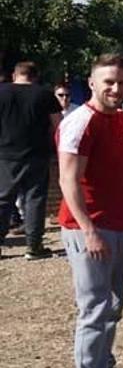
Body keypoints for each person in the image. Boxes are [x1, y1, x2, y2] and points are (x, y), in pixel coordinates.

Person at [58, 54, 123, 368]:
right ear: (92, 83)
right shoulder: (80, 121)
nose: (116, 88)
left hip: (118, 222)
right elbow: (67, 179)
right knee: (94, 307)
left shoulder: (121, 119)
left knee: (112, 303)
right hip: (89, 227)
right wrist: (89, 229)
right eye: (108, 82)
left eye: (122, 82)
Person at [0, 61, 61, 260]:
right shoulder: (44, 94)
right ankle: (34, 247)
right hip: (37, 154)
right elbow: (58, 124)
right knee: (35, 200)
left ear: (14, 75)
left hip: (6, 154)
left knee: (3, 199)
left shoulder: (2, 92)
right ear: (35, 76)